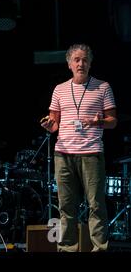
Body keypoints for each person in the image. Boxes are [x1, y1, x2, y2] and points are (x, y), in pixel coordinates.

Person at [41, 44, 117, 252]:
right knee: (66, 206)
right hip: (63, 153)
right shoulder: (59, 89)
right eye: (76, 59)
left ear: (90, 63)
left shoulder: (103, 87)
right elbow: (54, 123)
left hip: (91, 153)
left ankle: (99, 248)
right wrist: (49, 125)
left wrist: (98, 121)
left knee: (96, 205)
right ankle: (66, 247)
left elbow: (113, 121)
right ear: (69, 64)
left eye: (84, 59)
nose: (80, 63)